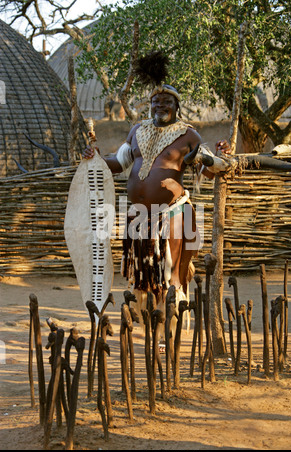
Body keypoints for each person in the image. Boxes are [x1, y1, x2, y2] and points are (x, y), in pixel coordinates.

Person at [83, 83, 230, 313]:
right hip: (140, 217)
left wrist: (219, 156)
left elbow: (207, 172)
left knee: (170, 274)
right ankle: (151, 322)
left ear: (176, 106)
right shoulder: (137, 130)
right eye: (156, 102)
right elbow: (120, 163)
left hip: (172, 214)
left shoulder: (189, 135)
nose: (160, 106)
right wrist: (97, 157)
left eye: (167, 102)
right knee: (144, 273)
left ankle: (169, 326)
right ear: (150, 105)